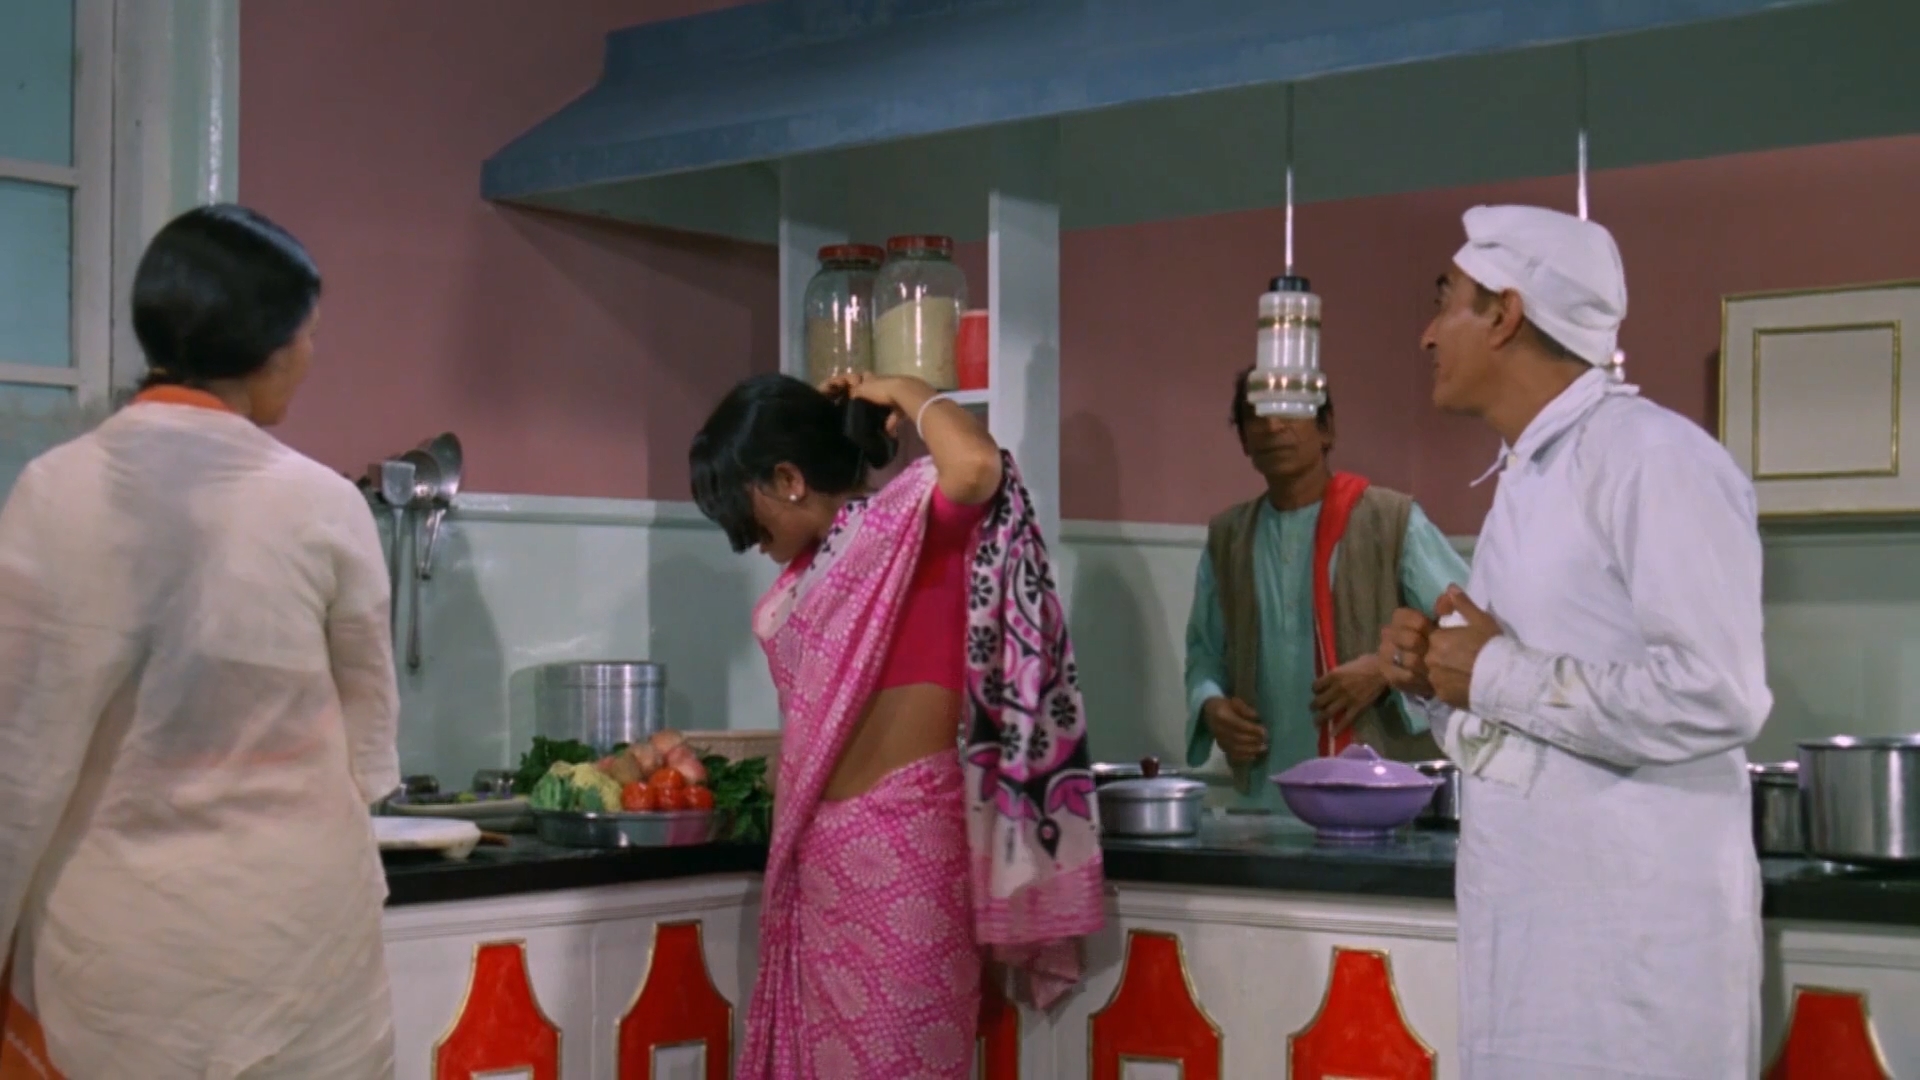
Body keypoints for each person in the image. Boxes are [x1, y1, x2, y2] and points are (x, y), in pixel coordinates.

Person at [0, 205, 401, 1078]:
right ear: (268, 347)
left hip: (123, 965)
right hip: (302, 959)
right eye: (308, 334)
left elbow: (17, 764)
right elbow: (370, 744)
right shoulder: (324, 506)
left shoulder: (52, 493)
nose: (311, 356)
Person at [1378, 204, 1769, 1078]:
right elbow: (1522, 727)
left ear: (1505, 315)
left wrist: (1492, 672)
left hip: (1632, 960)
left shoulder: (1654, 459)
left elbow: (1719, 694)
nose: (1428, 335)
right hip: (1536, 943)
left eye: (1446, 302)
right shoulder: (1527, 477)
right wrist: (1438, 681)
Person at [690, 372, 1103, 1079]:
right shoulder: (802, 581)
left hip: (910, 861)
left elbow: (976, 466)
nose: (746, 542)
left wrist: (903, 390)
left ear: (788, 479)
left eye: (745, 517)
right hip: (823, 872)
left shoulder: (911, 529)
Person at [1184, 369, 1470, 805]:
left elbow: (1465, 628)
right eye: (1257, 414)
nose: (1273, 426)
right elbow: (1204, 654)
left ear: (1326, 428)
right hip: (1265, 797)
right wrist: (1212, 708)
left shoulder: (1390, 521)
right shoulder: (1229, 538)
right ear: (1243, 439)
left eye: (1290, 411)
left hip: (1379, 799)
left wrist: (1384, 669)